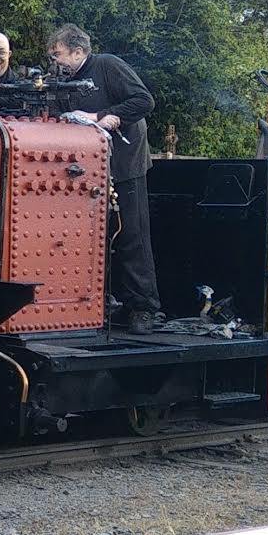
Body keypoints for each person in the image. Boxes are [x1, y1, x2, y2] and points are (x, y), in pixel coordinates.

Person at [46, 23, 161, 335]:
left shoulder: (108, 66)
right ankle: (97, 301)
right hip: (84, 172)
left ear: (79, 51)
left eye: (58, 55)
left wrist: (105, 117)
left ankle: (143, 307)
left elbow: (143, 101)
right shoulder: (60, 81)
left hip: (124, 166)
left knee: (132, 235)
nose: (54, 61)